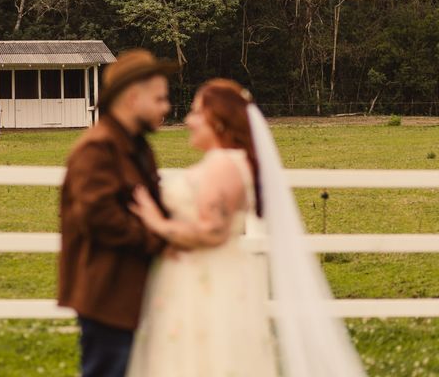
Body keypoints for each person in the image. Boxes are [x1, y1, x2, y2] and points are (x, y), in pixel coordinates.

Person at [127, 79, 367, 377]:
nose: (188, 121)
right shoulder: (226, 161)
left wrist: (157, 224)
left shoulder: (224, 165)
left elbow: (213, 232)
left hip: (210, 279)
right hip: (199, 275)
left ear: (218, 119)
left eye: (196, 113)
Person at [58, 48, 177, 377]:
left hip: (127, 290)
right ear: (132, 98)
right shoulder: (97, 149)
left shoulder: (135, 145)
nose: (165, 107)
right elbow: (98, 216)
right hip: (107, 291)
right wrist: (156, 238)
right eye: (159, 99)